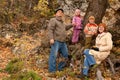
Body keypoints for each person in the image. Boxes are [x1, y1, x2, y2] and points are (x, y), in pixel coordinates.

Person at [47, 8, 72, 73]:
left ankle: (60, 68)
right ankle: (52, 71)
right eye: (58, 12)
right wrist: (51, 38)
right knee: (53, 55)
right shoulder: (53, 20)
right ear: (56, 14)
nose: (60, 13)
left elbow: (66, 27)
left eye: (61, 12)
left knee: (65, 55)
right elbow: (50, 30)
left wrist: (72, 24)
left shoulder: (62, 22)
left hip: (63, 42)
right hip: (56, 41)